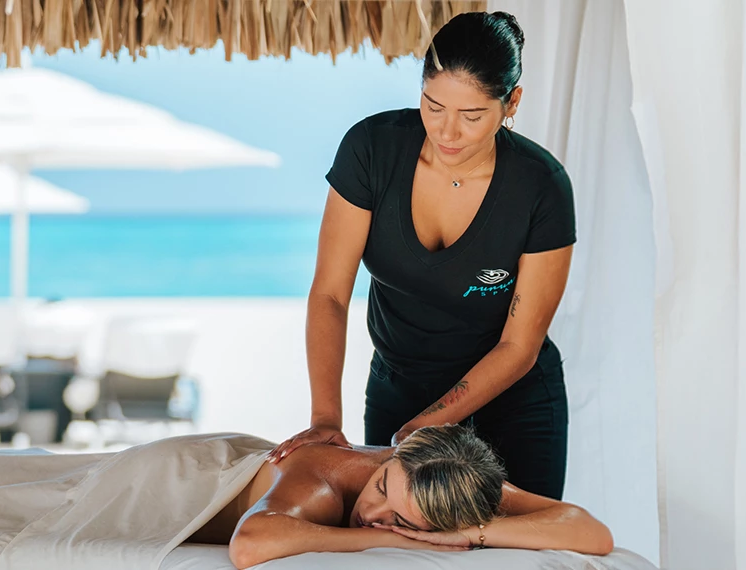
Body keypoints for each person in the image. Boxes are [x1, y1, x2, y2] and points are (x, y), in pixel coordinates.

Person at [272, 11, 579, 499]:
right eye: (433, 106)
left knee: (512, 550)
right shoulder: (372, 151)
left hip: (512, 401)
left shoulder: (541, 188)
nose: (447, 132)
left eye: (472, 115)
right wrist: (326, 417)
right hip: (399, 387)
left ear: (512, 101)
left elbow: (518, 346)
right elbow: (330, 293)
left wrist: (421, 428)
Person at [192, 425, 612, 568]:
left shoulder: (456, 481)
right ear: (394, 454)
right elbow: (249, 546)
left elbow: (591, 532)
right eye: (381, 486)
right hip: (180, 476)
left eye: (403, 520)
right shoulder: (323, 481)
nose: (372, 512)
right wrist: (394, 537)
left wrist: (471, 534)